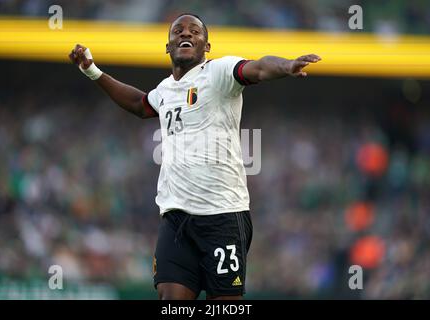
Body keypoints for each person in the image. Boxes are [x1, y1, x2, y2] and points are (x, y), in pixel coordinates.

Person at [69, 13, 321, 300]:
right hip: (176, 217)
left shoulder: (219, 73)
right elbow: (139, 105)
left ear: (206, 46)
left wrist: (286, 66)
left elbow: (260, 68)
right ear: (168, 46)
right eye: (178, 31)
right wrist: (92, 71)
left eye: (194, 31)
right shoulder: (164, 90)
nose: (186, 34)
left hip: (223, 216)